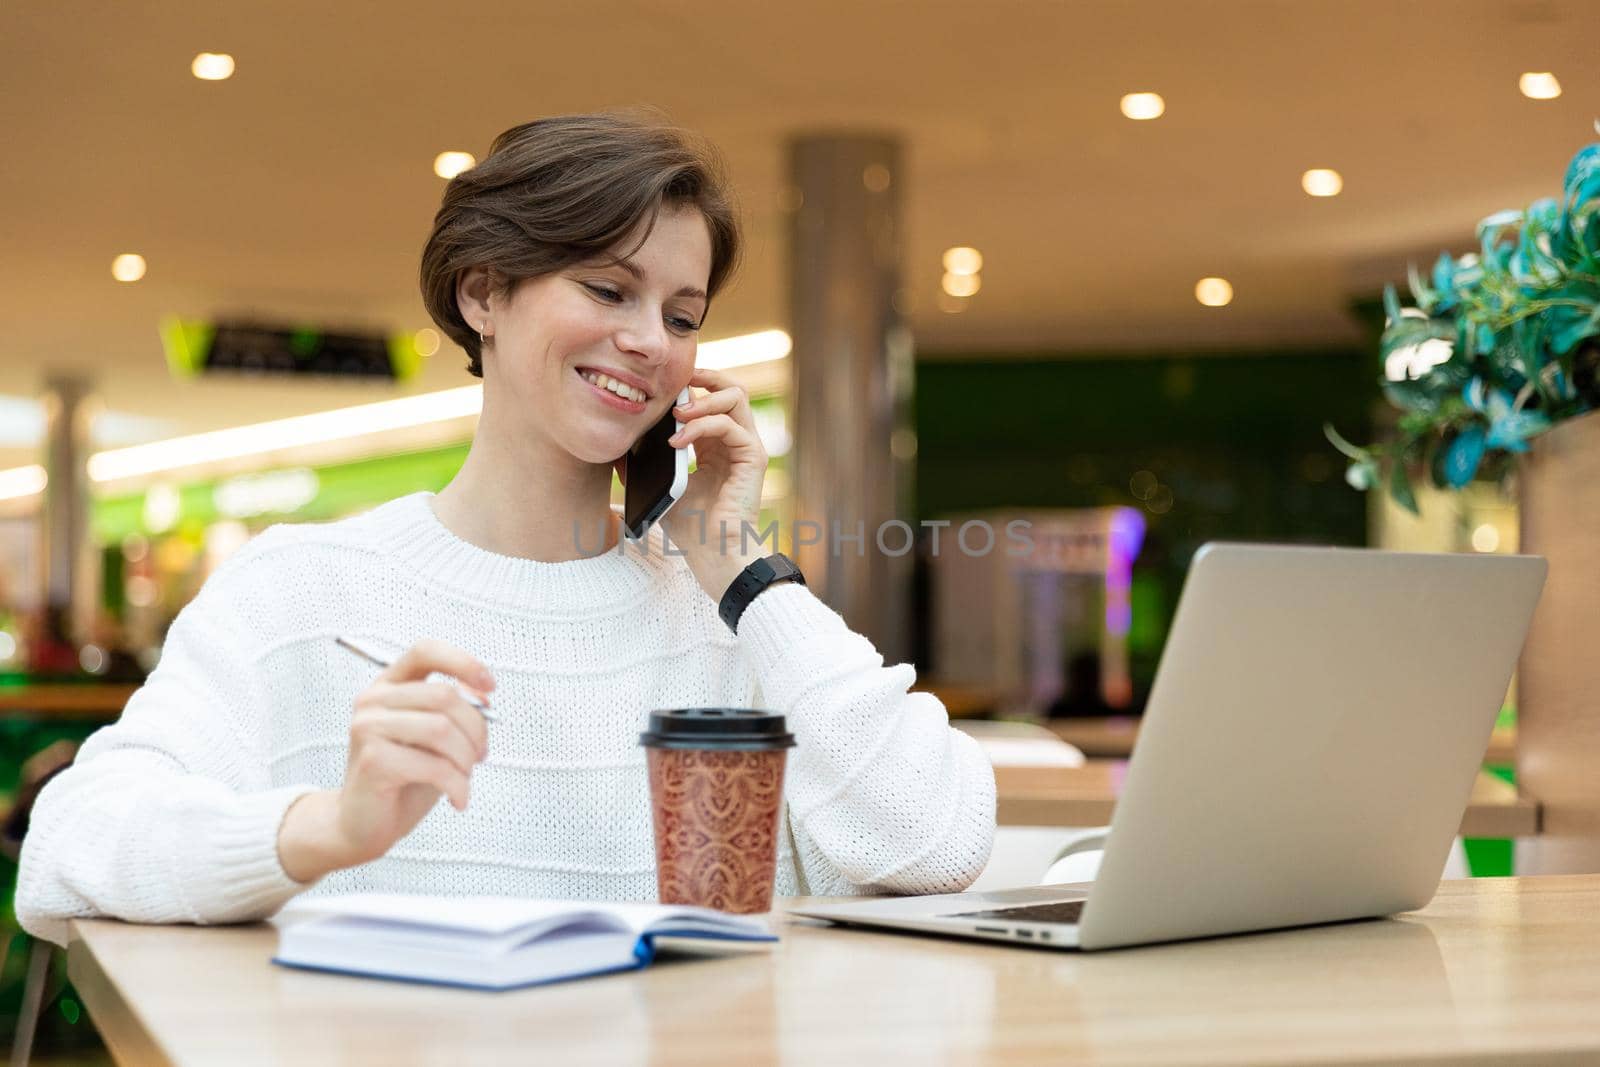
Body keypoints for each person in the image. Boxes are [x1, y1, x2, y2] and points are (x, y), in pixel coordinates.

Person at [16, 113, 996, 946]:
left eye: (682, 313)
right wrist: (330, 825)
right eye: (608, 290)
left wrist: (738, 567)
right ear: (481, 292)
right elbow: (66, 854)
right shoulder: (300, 591)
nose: (651, 340)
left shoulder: (726, 614)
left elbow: (935, 842)